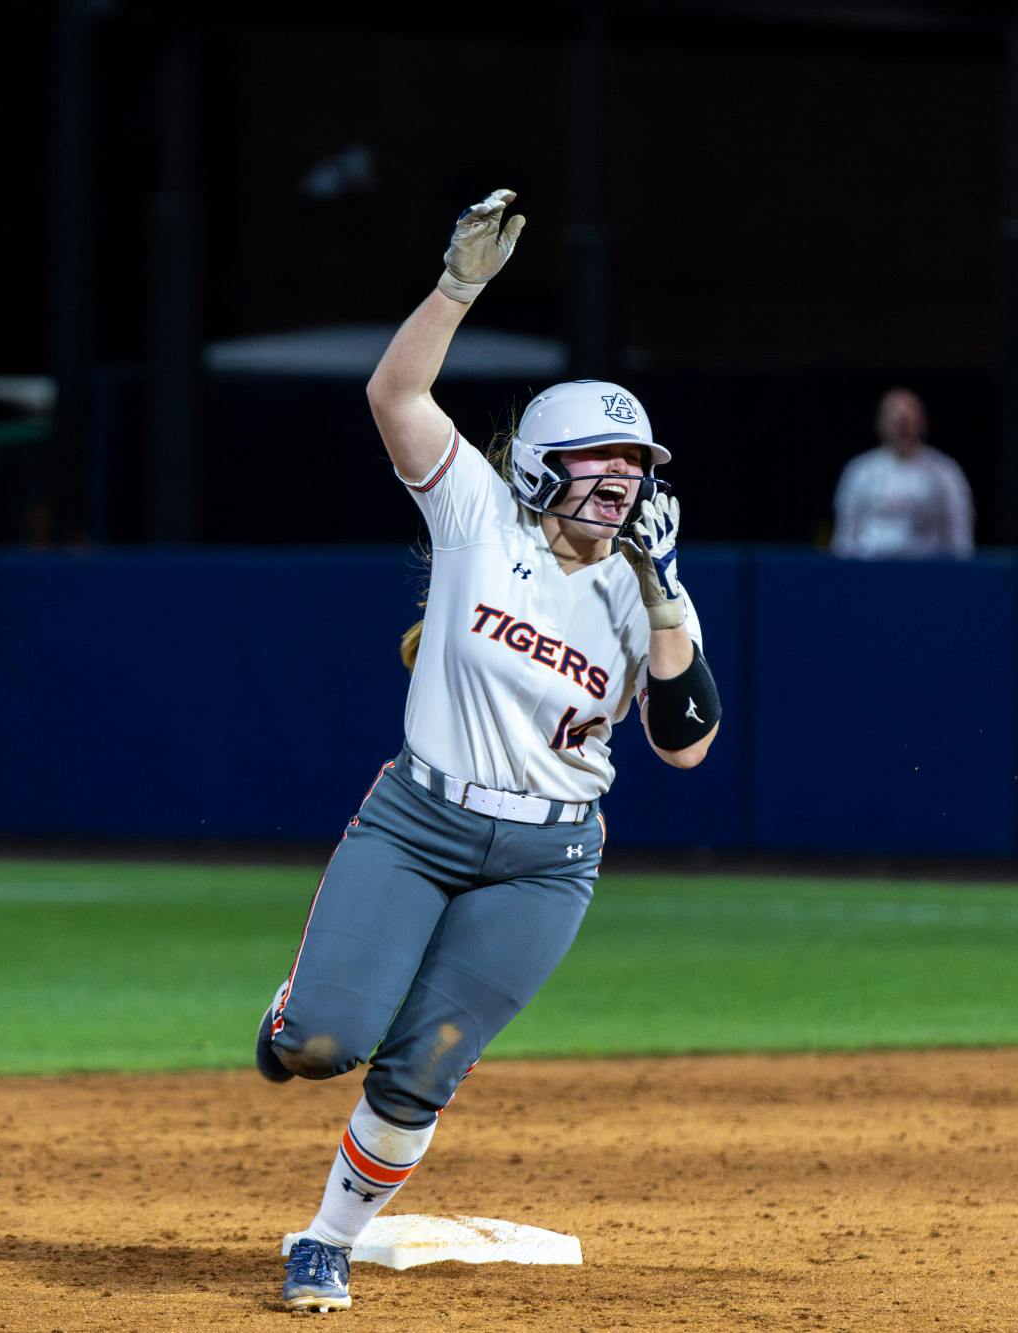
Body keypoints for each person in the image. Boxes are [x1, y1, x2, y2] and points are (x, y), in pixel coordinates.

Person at [253, 189, 720, 1314]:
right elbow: (394, 395)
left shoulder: (649, 592)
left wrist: (662, 597)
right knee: (321, 1043)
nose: (623, 479)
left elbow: (686, 746)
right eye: (600, 459)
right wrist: (456, 287)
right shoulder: (478, 516)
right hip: (418, 822)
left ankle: (325, 1241)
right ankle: (294, 1013)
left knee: (427, 1061)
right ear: (542, 466)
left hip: (547, 863)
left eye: (636, 462)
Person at [829, 388, 975, 558]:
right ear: (880, 423)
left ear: (921, 422)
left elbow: (960, 537)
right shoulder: (859, 471)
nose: (902, 425)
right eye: (895, 418)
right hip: (869, 565)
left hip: (925, 566)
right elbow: (845, 537)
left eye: (908, 418)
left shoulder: (945, 471)